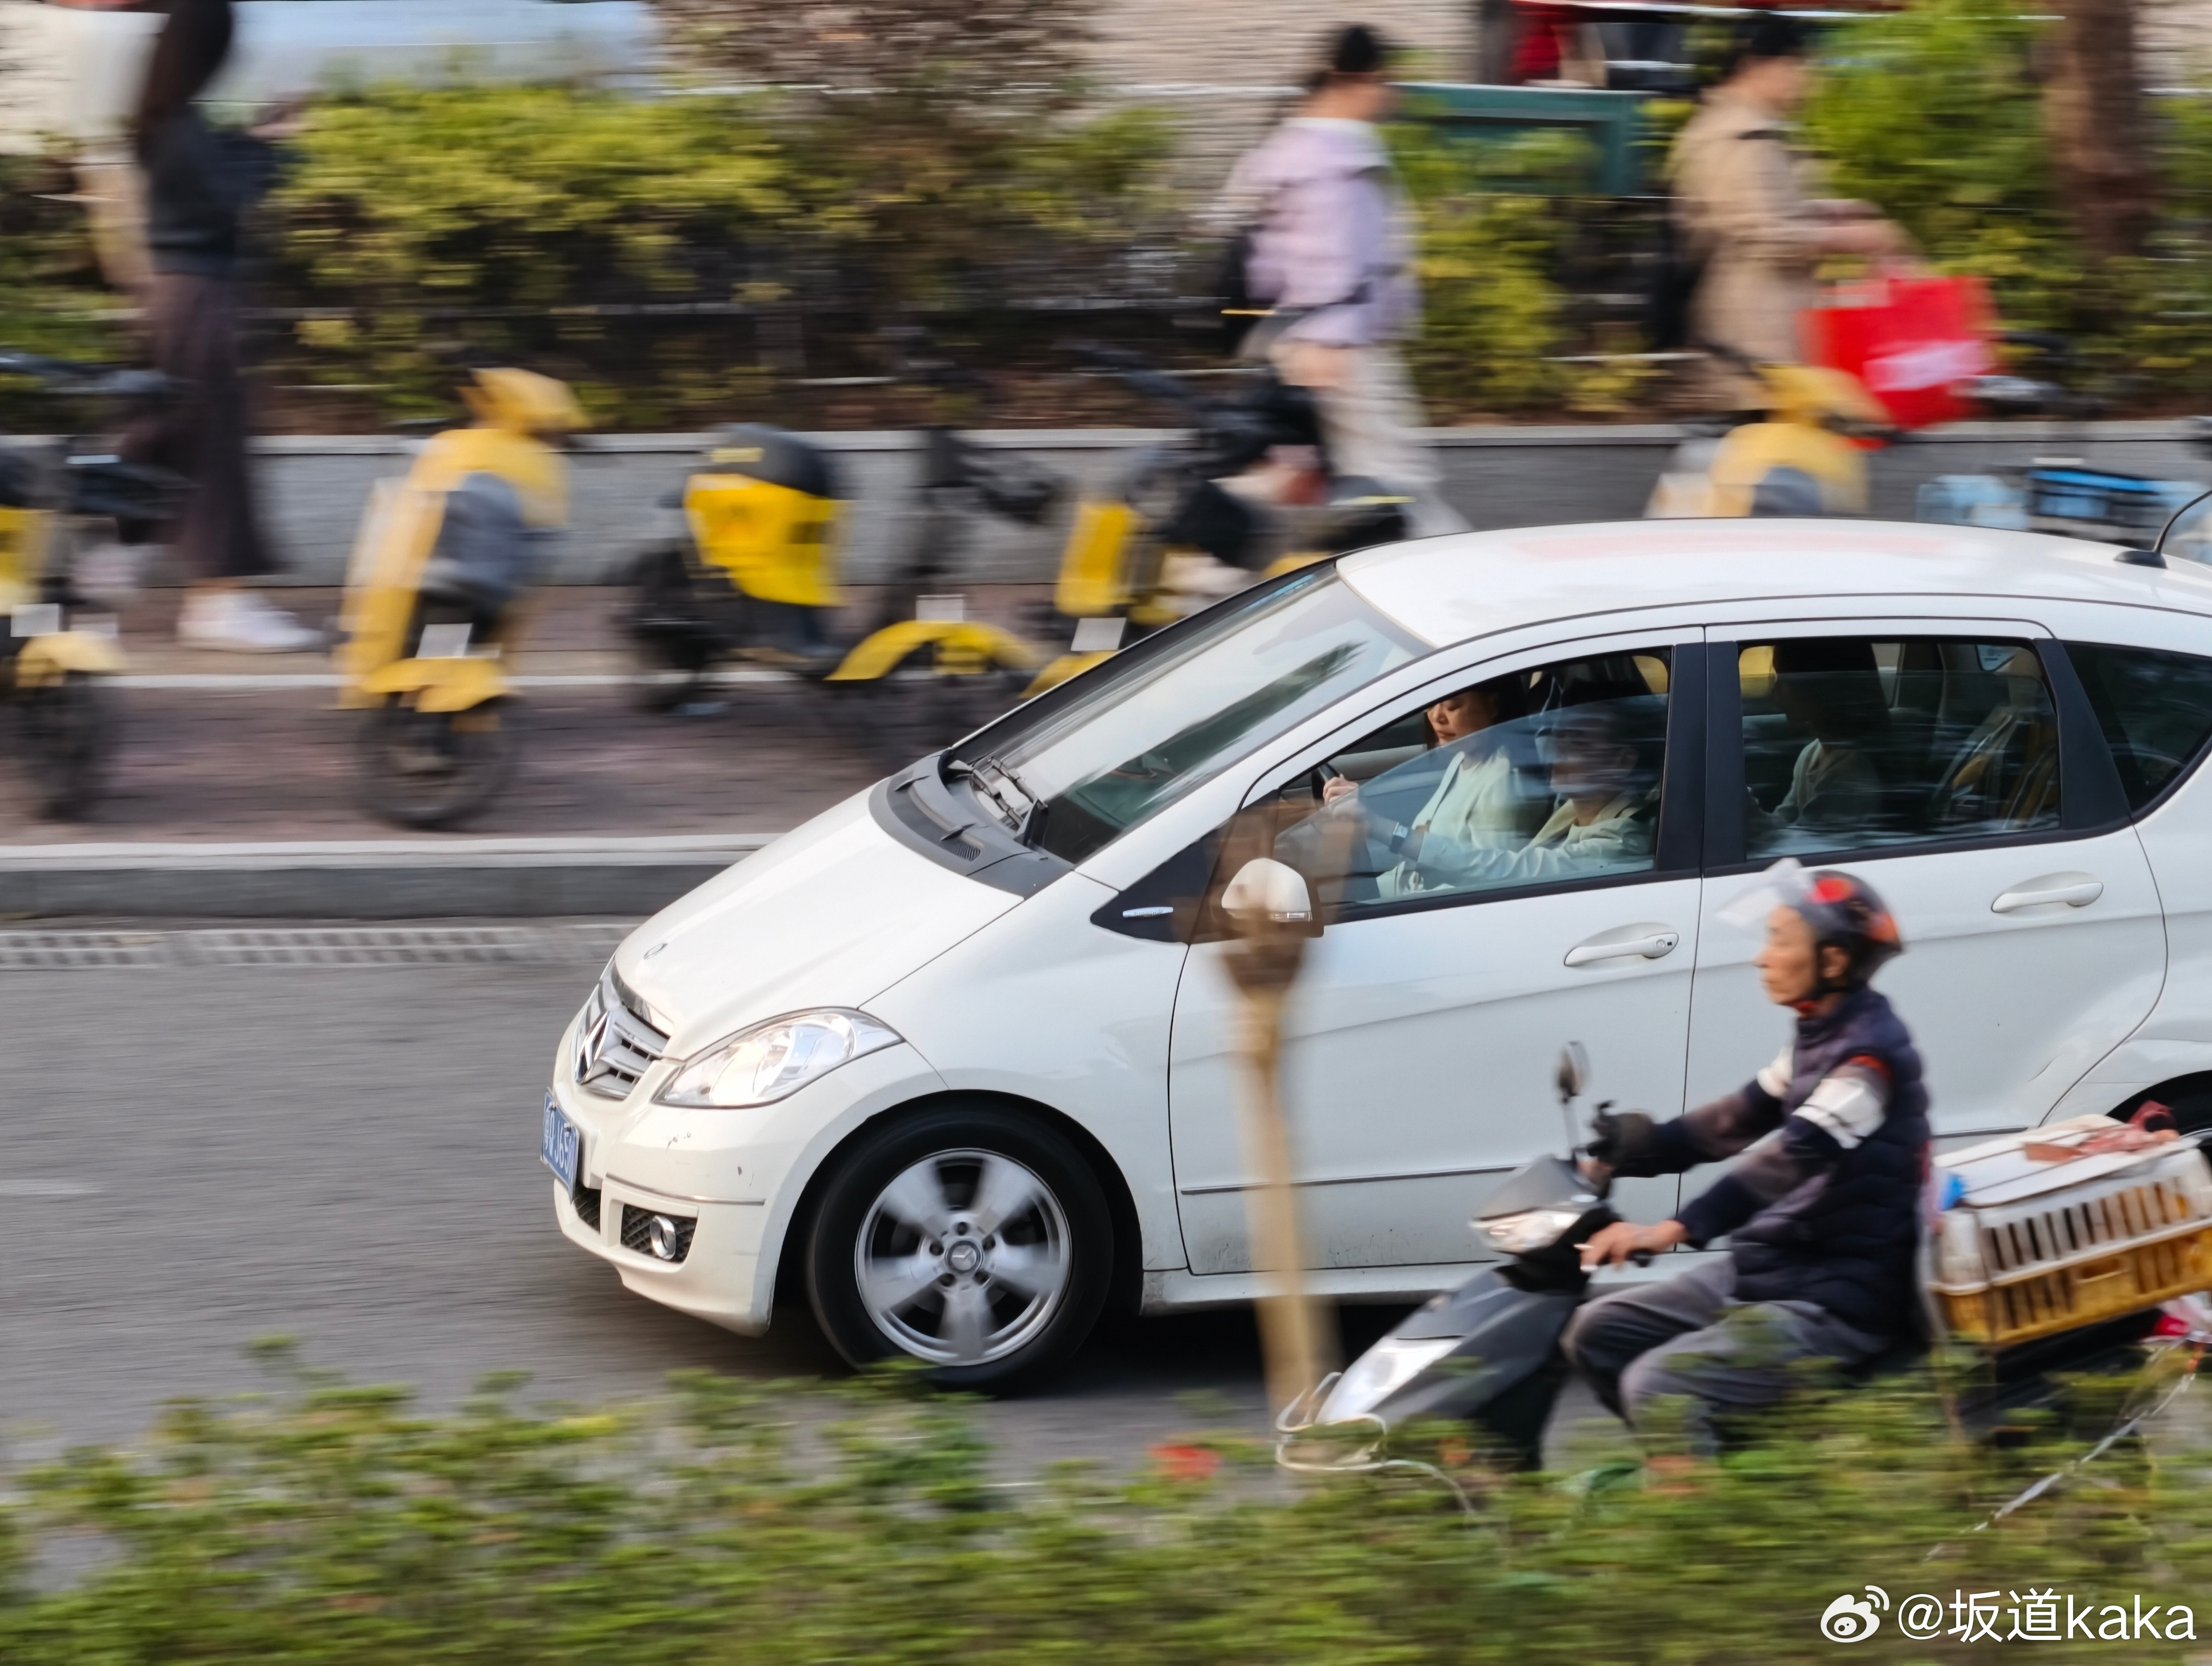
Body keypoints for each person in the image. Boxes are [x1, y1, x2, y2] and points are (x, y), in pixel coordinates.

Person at [1561, 866, 1928, 1456]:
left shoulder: (1869, 1061)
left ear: (1832, 962)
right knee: (1597, 1331)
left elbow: (1791, 1158)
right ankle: (1708, 1468)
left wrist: (1672, 1230)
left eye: (1780, 940)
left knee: (1658, 1385)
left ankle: (1703, 1530)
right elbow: (1735, 1120)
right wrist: (1623, 1152)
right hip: (1779, 1266)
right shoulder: (1818, 1035)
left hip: (1834, 1298)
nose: (1762, 957)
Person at [1221, 24, 1468, 538]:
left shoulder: (1292, 144)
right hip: (1342, 348)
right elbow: (1328, 252)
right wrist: (1328, 338)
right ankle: (1459, 589)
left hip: (1304, 336)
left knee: (1303, 477)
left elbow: (1268, 259)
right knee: (1400, 482)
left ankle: (1204, 567)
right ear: (1363, 80)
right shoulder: (1336, 156)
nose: (1391, 94)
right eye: (1388, 81)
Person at [127, 0, 319, 652]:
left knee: (164, 432)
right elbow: (224, 203)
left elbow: (218, 175)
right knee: (211, 444)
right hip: (202, 295)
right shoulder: (181, 127)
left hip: (179, 295)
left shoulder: (172, 122)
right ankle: (219, 602)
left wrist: (264, 138)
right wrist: (277, 149)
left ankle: (100, 567)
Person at [1669, 16, 1908, 410]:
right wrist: (1860, 238)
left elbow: (1765, 207)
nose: (1808, 83)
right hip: (1754, 333)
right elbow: (1769, 235)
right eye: (1802, 68)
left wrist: (1842, 212)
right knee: (1772, 461)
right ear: (1765, 65)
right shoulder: (1741, 136)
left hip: (1763, 323)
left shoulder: (1744, 127)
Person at [1349, 695, 1663, 892]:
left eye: (1577, 744)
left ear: (1623, 762)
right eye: (1558, 736)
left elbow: (1503, 871)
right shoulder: (1574, 806)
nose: (1556, 751)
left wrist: (1388, 830)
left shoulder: (1618, 845)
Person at [1321, 676, 1548, 894]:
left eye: (1453, 706)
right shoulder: (1463, 759)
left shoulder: (1504, 783)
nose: (1437, 716)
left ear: (1494, 705)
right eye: (1431, 704)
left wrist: (1376, 824)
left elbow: (1488, 880)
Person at [1746, 638, 1889, 851]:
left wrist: (1744, 809)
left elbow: (1801, 846)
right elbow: (1785, 821)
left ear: (1816, 687)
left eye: (1784, 679)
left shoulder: (1851, 773)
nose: (1775, 690)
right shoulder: (1813, 752)